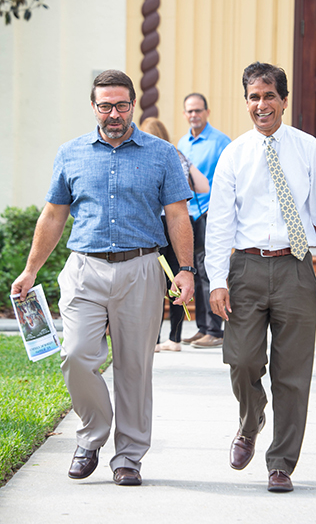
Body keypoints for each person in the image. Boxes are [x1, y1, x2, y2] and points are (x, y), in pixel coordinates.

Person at [11, 70, 195, 486]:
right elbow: (54, 214)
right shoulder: (70, 153)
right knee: (75, 355)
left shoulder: (162, 154)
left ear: (134, 105)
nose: (114, 114)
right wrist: (31, 268)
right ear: (93, 107)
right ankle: (93, 434)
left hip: (142, 267)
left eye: (122, 105)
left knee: (134, 368)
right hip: (84, 268)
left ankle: (128, 457)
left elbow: (178, 215)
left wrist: (185, 269)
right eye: (105, 106)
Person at [205, 62, 316, 492]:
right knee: (242, 359)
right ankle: (251, 422)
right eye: (253, 97)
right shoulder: (234, 153)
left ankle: (281, 462)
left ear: (284, 100)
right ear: (246, 101)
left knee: (293, 372)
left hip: (296, 267)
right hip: (245, 267)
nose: (261, 105)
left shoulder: (308, 148)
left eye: (268, 96)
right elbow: (219, 222)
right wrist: (217, 279)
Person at [140, 117, 209, 352]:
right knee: (177, 282)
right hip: (182, 222)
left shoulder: (146, 155)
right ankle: (175, 339)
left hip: (158, 222)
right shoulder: (178, 155)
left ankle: (155, 339)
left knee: (155, 284)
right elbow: (203, 186)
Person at [178, 93, 231, 348]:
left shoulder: (221, 142)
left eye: (198, 111)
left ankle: (215, 330)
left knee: (210, 269)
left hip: (211, 212)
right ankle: (202, 328)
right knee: (195, 271)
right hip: (190, 215)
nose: (194, 115)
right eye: (189, 111)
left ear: (207, 112)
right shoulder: (182, 143)